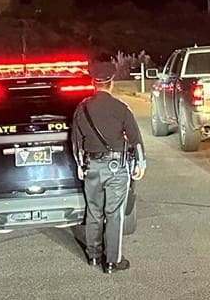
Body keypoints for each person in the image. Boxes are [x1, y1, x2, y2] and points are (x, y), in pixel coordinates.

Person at [71, 62, 146, 273]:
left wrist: (79, 164)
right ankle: (112, 260)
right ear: (111, 84)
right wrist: (140, 163)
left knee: (94, 211)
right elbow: (135, 138)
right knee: (114, 213)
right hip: (116, 167)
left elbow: (76, 140)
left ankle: (94, 256)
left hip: (91, 166)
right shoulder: (121, 108)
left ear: (92, 83)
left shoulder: (82, 108)